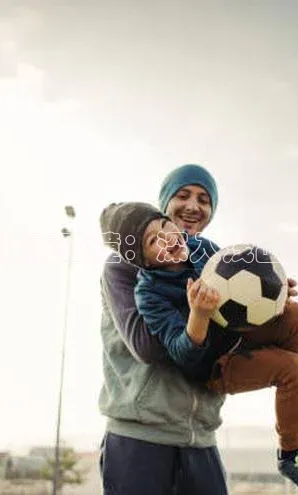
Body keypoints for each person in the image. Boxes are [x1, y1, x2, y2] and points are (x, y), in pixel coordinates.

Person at [99, 200, 298, 495]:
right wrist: (198, 315)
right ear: (143, 261)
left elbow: (238, 272)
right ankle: (291, 454)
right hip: (208, 365)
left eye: (165, 226)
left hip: (231, 345)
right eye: (153, 240)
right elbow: (179, 352)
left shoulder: (200, 247)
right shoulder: (147, 292)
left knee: (296, 315)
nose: (167, 237)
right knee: (295, 370)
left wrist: (269, 288)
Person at [96, 164, 231, 494]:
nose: (193, 206)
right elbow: (149, 348)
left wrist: (269, 296)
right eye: (183, 195)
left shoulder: (212, 265)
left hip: (201, 439)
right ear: (164, 206)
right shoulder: (123, 266)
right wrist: (201, 317)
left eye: (204, 199)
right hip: (140, 439)